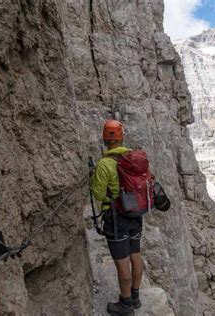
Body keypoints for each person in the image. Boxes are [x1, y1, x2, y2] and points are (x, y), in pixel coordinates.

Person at [91, 120, 143, 316]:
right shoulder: (131, 156)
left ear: (105, 138)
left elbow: (98, 193)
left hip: (116, 217)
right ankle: (136, 297)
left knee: (122, 262)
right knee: (135, 254)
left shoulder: (104, 164)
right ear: (122, 137)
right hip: (136, 214)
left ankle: (126, 303)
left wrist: (93, 177)